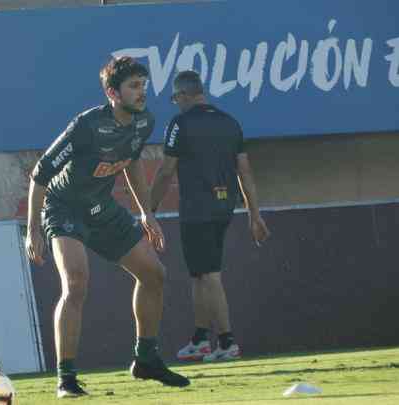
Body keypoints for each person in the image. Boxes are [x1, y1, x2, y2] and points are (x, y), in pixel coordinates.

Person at [25, 57, 190, 398]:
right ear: (113, 92)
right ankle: (66, 379)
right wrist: (33, 230)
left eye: (143, 85)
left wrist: (146, 213)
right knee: (76, 283)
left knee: (154, 274)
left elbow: (131, 164)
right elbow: (40, 174)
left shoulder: (144, 122)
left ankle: (145, 359)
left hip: (102, 208)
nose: (142, 92)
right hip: (64, 208)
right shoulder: (87, 125)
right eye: (134, 86)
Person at [150, 70, 270, 362]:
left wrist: (147, 210)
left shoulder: (180, 122)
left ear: (184, 95)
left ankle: (227, 341)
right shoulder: (230, 122)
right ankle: (201, 339)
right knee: (199, 274)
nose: (176, 103)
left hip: (197, 210)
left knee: (210, 274)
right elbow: (245, 171)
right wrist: (255, 214)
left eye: (176, 98)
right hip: (224, 207)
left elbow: (166, 170)